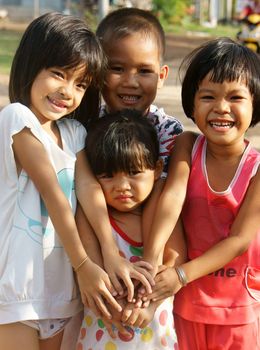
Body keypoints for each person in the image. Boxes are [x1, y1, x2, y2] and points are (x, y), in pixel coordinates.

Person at [0, 12, 154, 350]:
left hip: (61, 294)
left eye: (80, 84)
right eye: (58, 74)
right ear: (30, 65)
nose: (67, 91)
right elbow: (52, 193)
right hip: (17, 291)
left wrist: (110, 256)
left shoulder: (74, 133)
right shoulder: (16, 118)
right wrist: (84, 264)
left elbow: (87, 190)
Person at [142, 37, 260, 349]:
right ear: (192, 105)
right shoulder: (186, 145)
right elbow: (172, 196)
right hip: (186, 305)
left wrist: (179, 276)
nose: (221, 108)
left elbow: (238, 241)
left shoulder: (257, 168)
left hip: (238, 310)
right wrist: (152, 260)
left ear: (255, 105)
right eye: (208, 96)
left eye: (236, 97)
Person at [75, 7, 183, 304]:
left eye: (144, 71)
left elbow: (166, 198)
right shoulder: (84, 125)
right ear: (98, 70)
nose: (131, 81)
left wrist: (150, 275)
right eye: (117, 68)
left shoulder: (168, 132)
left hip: (149, 255)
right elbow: (83, 197)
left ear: (162, 76)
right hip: (95, 257)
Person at [76, 109, 185, 349]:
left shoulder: (161, 215)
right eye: (107, 176)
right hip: (101, 340)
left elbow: (175, 259)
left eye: (134, 172)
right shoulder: (92, 216)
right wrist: (113, 308)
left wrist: (151, 305)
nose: (122, 186)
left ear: (157, 169)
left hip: (156, 340)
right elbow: (91, 266)